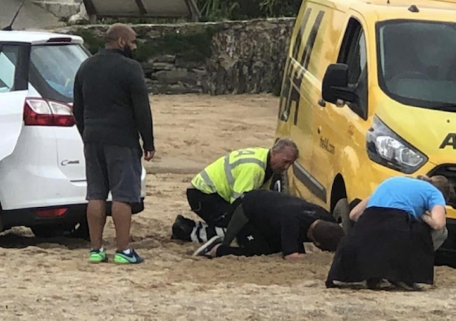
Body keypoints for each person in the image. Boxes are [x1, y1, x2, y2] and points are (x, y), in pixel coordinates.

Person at [73, 23, 155, 265]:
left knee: (96, 194)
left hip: (92, 139)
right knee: (122, 195)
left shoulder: (86, 66)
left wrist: (86, 133)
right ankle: (123, 250)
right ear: (121, 42)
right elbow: (142, 108)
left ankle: (96, 250)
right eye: (133, 41)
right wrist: (148, 140)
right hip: (122, 140)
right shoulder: (130, 68)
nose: (135, 46)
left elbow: (77, 107)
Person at [325, 175, 454, 291]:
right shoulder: (435, 193)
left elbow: (353, 214)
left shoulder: (392, 181)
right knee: (442, 232)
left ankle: (374, 275)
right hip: (396, 226)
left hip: (368, 224)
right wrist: (421, 214)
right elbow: (438, 224)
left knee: (377, 232)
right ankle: (406, 274)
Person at [171, 140, 299, 244]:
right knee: (240, 229)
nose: (286, 167)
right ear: (274, 153)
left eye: (291, 164)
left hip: (209, 193)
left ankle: (190, 226)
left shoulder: (266, 161)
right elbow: (241, 204)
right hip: (203, 195)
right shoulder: (254, 168)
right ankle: (186, 231)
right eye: (285, 161)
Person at [195, 190, 344, 260]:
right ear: (316, 242)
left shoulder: (324, 215)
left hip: (272, 211)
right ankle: (219, 249)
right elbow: (291, 256)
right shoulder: (290, 221)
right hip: (246, 211)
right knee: (261, 250)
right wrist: (313, 259)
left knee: (280, 245)